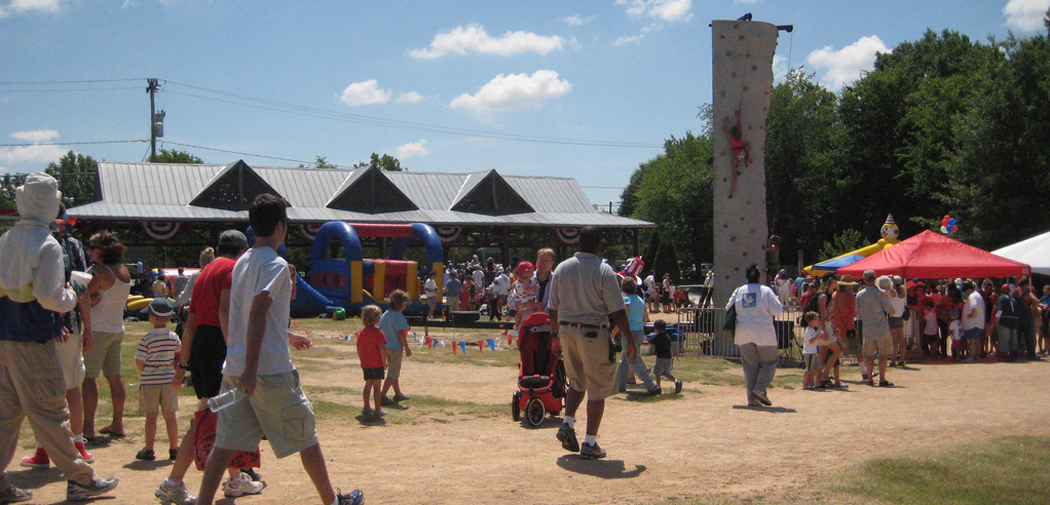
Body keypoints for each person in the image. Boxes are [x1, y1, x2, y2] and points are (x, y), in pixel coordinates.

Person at [190, 194, 364, 505]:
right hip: (267, 371)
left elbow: (233, 310)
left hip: (235, 368)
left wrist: (241, 356)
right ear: (281, 226)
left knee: (224, 445)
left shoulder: (242, 261)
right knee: (305, 437)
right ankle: (332, 502)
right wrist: (251, 369)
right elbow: (258, 310)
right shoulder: (276, 264)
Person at [0, 172, 119, 502]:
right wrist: (71, 294)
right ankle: (81, 478)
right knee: (52, 411)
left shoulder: (7, 239)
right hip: (34, 337)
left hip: (5, 335)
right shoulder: (46, 244)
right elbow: (50, 296)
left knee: (7, 413)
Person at [155, 230, 261, 505]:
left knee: (222, 415)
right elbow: (227, 309)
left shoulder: (204, 273)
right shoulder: (232, 268)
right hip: (219, 343)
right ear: (242, 251)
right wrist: (236, 350)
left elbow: (190, 324)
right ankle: (173, 482)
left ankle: (236, 479)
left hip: (203, 342)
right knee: (207, 416)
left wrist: (183, 365)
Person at [549, 226, 637, 460]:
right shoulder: (604, 270)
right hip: (593, 332)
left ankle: (567, 422)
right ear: (600, 246)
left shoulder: (562, 268)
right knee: (597, 389)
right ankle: (590, 442)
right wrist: (630, 339)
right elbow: (617, 310)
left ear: (578, 243)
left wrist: (554, 336)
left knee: (577, 381)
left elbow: (552, 306)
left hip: (567, 330)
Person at [20, 205, 95, 469]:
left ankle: (44, 449)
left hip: (37, 326)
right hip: (70, 324)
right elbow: (81, 289)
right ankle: (77, 443)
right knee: (71, 387)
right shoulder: (73, 246)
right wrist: (87, 326)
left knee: (42, 391)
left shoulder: (32, 241)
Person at [81, 230, 132, 440]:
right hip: (116, 329)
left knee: (88, 379)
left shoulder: (101, 272)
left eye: (92, 247)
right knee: (115, 377)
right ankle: (117, 424)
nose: (89, 251)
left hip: (99, 329)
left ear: (101, 251)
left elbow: (83, 295)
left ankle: (88, 428)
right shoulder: (124, 270)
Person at [726, 263, 784, 406]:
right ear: (759, 277)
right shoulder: (766, 290)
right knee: (769, 363)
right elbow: (778, 311)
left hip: (743, 332)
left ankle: (752, 400)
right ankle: (760, 389)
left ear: (746, 277)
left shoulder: (739, 290)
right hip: (764, 333)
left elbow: (728, 307)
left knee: (750, 367)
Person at [134, 298, 181, 461]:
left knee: (151, 417)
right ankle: (174, 448)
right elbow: (178, 358)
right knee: (171, 416)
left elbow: (139, 362)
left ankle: (149, 449)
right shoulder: (174, 337)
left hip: (150, 381)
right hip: (169, 380)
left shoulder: (146, 339)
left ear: (152, 318)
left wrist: (145, 370)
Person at [614, 277, 660, 395]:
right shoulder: (640, 300)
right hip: (639, 331)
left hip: (630, 333)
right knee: (625, 360)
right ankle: (620, 386)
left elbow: (623, 318)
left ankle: (651, 385)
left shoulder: (626, 300)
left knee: (632, 360)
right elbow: (645, 318)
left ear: (623, 288)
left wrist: (613, 332)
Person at [856, 270, 895, 387]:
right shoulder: (880, 294)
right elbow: (891, 311)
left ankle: (869, 378)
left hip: (867, 328)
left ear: (864, 279)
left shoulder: (860, 294)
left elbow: (857, 312)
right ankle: (882, 379)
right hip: (881, 328)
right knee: (883, 354)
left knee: (869, 355)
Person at [379, 290, 412, 406]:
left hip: (384, 347)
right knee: (393, 373)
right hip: (395, 348)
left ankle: (398, 393)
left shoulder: (384, 315)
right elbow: (401, 333)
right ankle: (381, 396)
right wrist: (407, 347)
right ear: (401, 304)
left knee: (394, 371)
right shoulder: (398, 316)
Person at [355, 305, 387, 418]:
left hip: (366, 364)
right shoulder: (378, 333)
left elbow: (358, 347)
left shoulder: (362, 333)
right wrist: (384, 362)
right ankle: (378, 409)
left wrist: (362, 360)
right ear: (377, 318)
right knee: (377, 387)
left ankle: (367, 407)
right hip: (376, 363)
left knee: (368, 385)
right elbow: (382, 348)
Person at [649, 319, 682, 393]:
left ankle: (658, 388)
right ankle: (677, 381)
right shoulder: (667, 337)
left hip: (661, 358)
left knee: (657, 373)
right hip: (668, 357)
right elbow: (670, 347)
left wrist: (640, 342)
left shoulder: (657, 337)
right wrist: (672, 356)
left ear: (656, 329)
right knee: (666, 373)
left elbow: (648, 343)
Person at [961, 281, 985, 363]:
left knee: (972, 341)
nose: (965, 292)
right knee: (977, 340)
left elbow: (974, 307)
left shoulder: (972, 296)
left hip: (973, 323)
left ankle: (971, 356)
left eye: (966, 290)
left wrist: (972, 315)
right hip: (979, 323)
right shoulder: (978, 295)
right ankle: (977, 356)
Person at [887, 276, 908, 367]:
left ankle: (893, 360)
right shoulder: (903, 292)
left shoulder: (892, 292)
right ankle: (902, 359)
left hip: (893, 317)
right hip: (900, 316)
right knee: (901, 340)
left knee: (895, 340)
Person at [996, 284, 1021, 361]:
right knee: (1013, 339)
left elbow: (1000, 310)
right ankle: (1014, 355)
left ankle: (1005, 356)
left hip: (1005, 320)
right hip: (1014, 320)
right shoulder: (1013, 299)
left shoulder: (1002, 298)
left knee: (1004, 338)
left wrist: (997, 320)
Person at [511, 261, 538, 330]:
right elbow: (526, 290)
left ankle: (516, 325)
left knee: (519, 314)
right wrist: (535, 287)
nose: (532, 273)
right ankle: (539, 320)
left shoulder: (518, 280)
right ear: (524, 272)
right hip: (526, 299)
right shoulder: (526, 280)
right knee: (538, 306)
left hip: (519, 300)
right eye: (530, 271)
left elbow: (513, 285)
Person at [801, 312, 822, 389]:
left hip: (813, 351)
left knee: (818, 368)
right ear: (812, 321)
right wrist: (818, 336)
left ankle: (809, 381)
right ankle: (805, 384)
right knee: (809, 369)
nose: (818, 322)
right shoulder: (809, 330)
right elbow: (811, 341)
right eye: (817, 320)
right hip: (809, 352)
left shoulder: (813, 330)